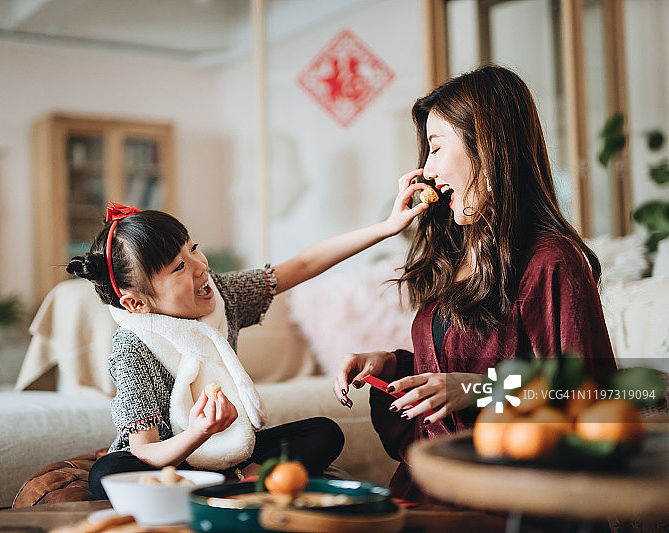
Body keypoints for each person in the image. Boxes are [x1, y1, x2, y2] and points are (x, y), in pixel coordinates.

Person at [333, 65, 617, 500]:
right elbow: (463, 367)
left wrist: (476, 389)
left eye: (435, 147)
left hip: (506, 498)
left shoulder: (552, 262)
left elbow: (590, 397)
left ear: (485, 148)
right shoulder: (459, 255)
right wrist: (393, 366)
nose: (426, 169)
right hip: (432, 488)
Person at [69, 193, 427, 499]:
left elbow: (303, 264)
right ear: (137, 304)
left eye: (193, 249)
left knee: (324, 432)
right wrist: (198, 432)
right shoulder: (132, 346)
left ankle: (239, 478)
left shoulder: (224, 296)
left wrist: (387, 228)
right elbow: (145, 450)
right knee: (107, 475)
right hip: (168, 455)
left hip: (231, 451)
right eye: (179, 267)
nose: (200, 267)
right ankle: (239, 483)